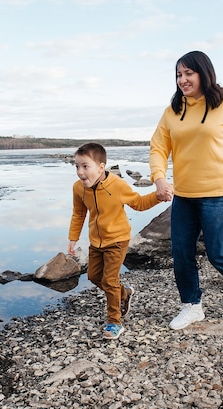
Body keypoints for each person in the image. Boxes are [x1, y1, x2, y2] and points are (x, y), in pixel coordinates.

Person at [149, 50, 223, 330]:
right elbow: (158, 147)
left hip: (220, 192)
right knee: (181, 252)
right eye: (179, 74)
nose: (182, 79)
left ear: (204, 73)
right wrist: (159, 178)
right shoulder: (173, 110)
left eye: (188, 73)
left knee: (220, 253)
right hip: (185, 195)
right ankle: (192, 306)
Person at [68, 142, 162, 340]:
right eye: (77, 166)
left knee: (109, 281)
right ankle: (124, 293)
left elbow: (139, 203)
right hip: (96, 241)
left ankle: (114, 322)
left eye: (85, 166)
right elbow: (79, 214)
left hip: (117, 240)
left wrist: (158, 196)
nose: (80, 172)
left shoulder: (117, 185)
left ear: (101, 167)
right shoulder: (79, 188)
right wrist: (73, 238)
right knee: (94, 276)